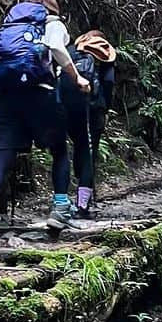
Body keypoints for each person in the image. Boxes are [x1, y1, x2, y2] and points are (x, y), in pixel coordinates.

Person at [0, 0, 92, 247]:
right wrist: (77, 77)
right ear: (52, 5)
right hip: (41, 95)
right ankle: (59, 210)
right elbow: (57, 48)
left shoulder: (8, 25)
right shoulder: (52, 23)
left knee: (2, 156)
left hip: (8, 96)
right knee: (59, 151)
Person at [59, 29, 117, 217]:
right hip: (93, 109)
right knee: (88, 153)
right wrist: (104, 106)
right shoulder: (105, 53)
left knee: (73, 148)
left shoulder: (71, 50)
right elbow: (108, 82)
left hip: (67, 107)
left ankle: (64, 198)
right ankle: (83, 203)